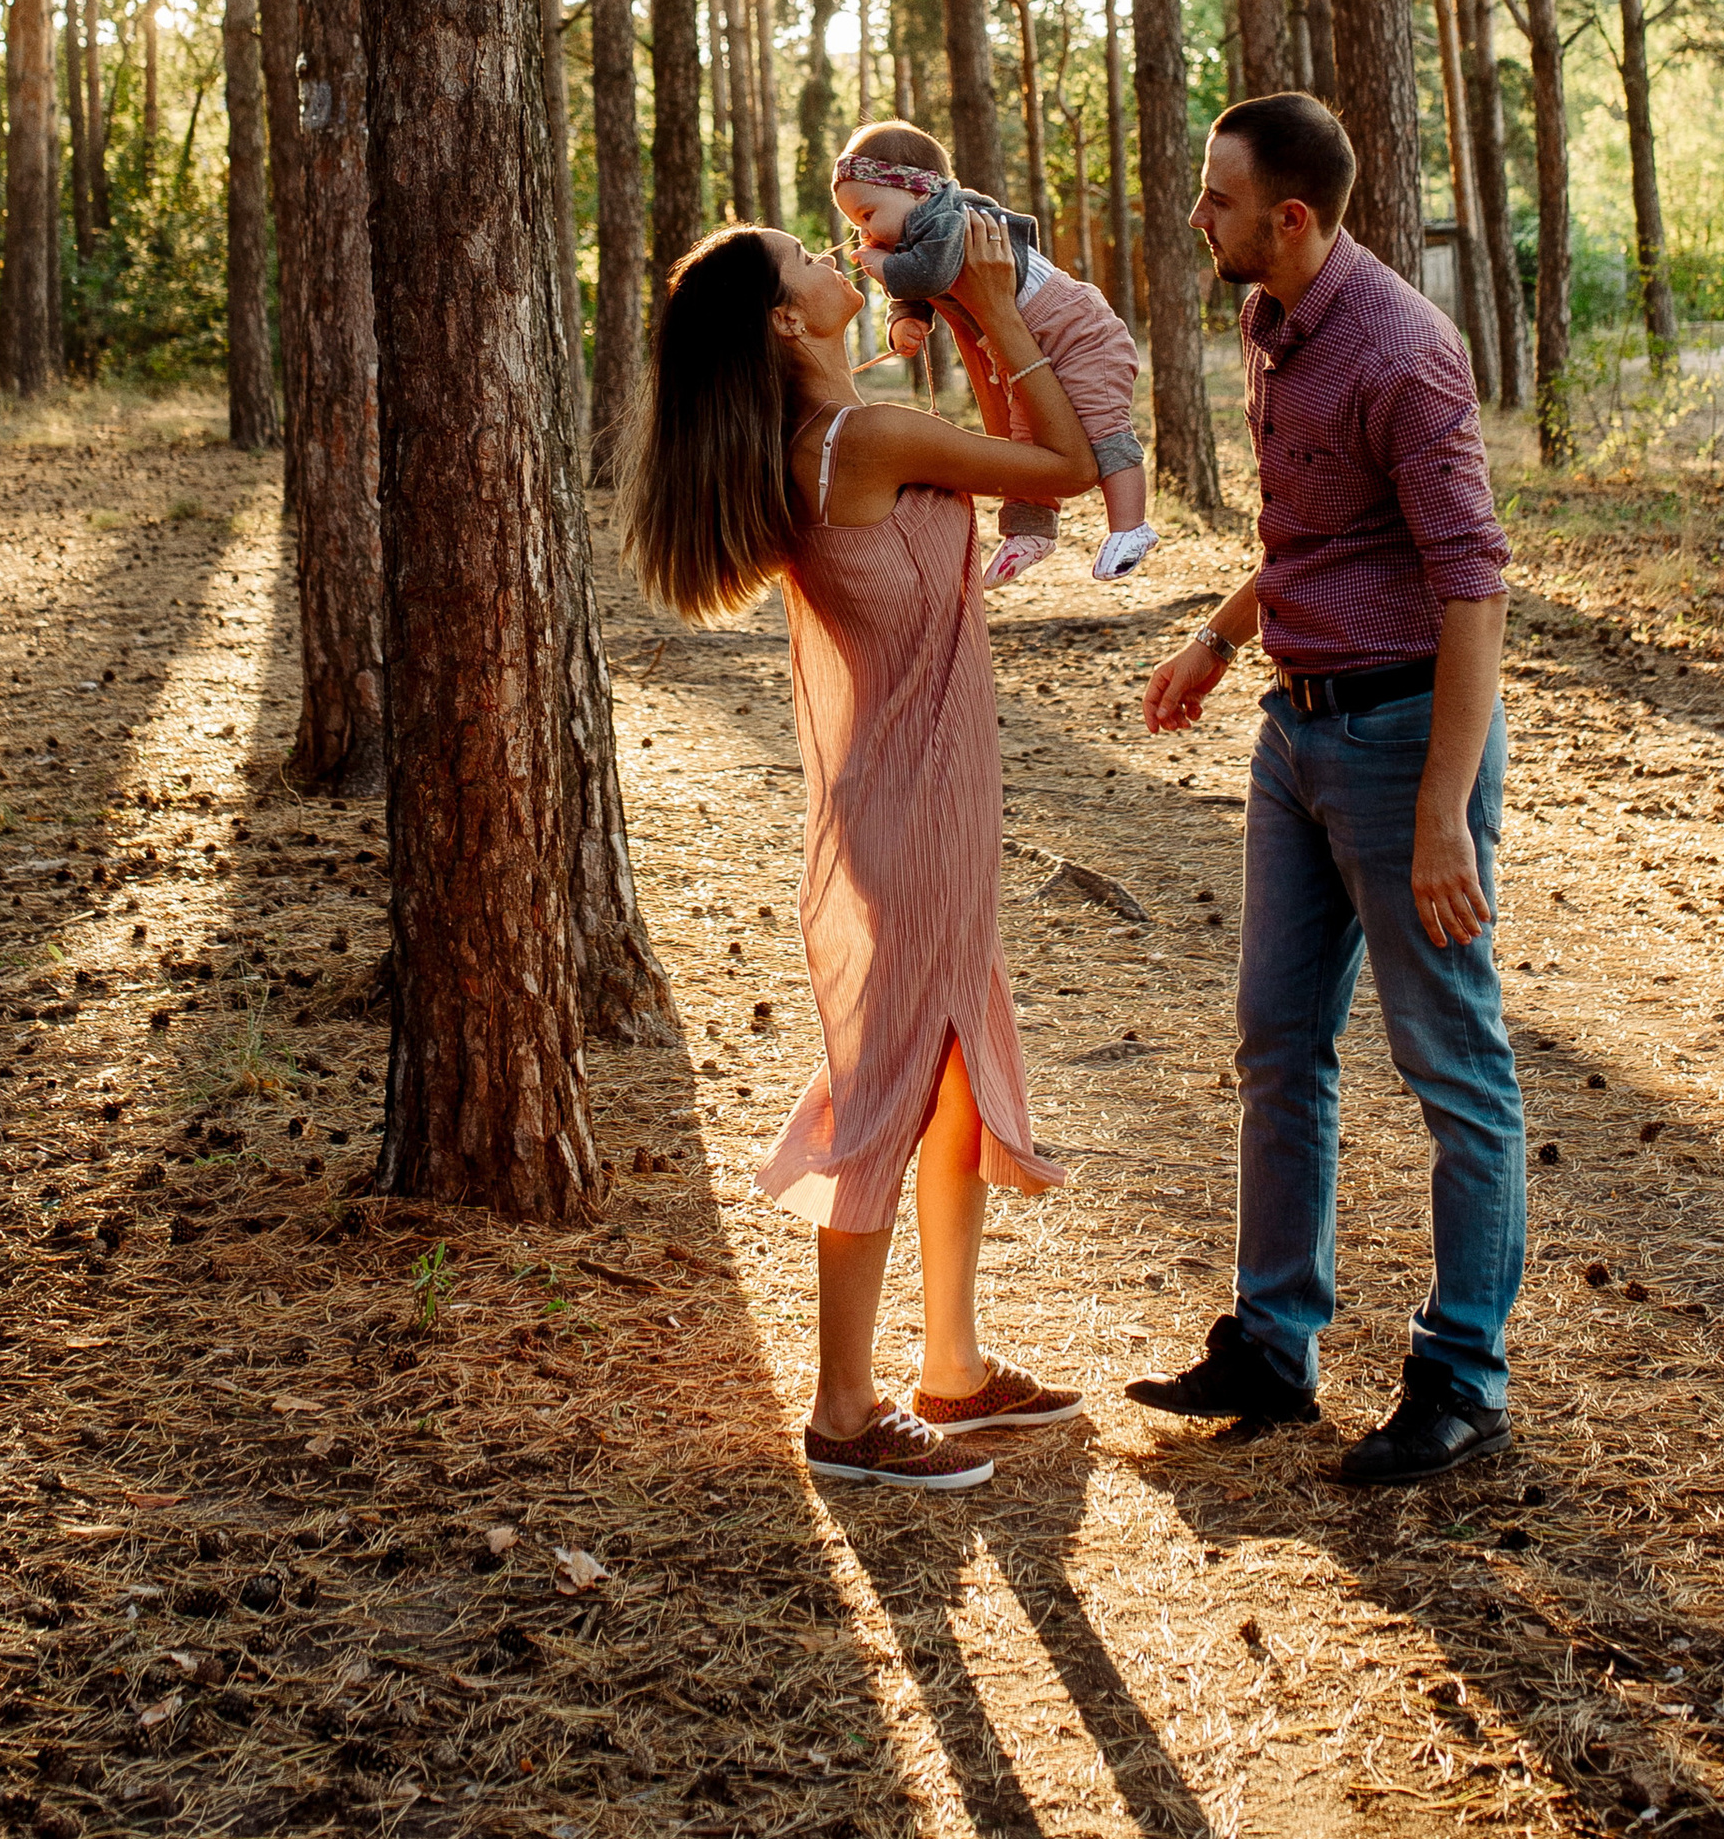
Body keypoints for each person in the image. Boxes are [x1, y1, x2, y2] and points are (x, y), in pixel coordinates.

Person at [621, 212, 1099, 1491]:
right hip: (913, 807)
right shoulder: (859, 439)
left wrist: (954, 318)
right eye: (804, 261)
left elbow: (992, 450)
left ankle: (953, 1364)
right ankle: (841, 1410)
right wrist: (996, 308)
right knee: (891, 1085)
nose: (833, 257)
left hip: (919, 797)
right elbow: (1063, 462)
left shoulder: (829, 434)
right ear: (786, 321)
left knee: (944, 1077)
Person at [1129, 91, 1524, 1485]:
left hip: (1400, 742)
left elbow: (1472, 583)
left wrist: (1439, 808)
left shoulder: (1406, 355)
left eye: (1218, 199)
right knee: (1278, 1042)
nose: (1199, 216)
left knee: (1452, 1064)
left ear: (1289, 217)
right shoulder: (1270, 321)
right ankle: (1272, 1344)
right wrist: (1220, 633)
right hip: (1293, 730)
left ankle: (1463, 1373)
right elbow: (1320, 533)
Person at [831, 121, 1157, 585]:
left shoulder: (948, 217)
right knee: (1027, 444)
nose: (865, 232)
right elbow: (923, 290)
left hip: (1077, 329)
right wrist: (906, 318)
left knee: (1103, 425)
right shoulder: (913, 236)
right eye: (855, 223)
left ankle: (1131, 526)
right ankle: (1031, 532)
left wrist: (886, 268)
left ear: (917, 188)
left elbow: (930, 273)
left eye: (867, 214)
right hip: (1025, 339)